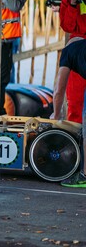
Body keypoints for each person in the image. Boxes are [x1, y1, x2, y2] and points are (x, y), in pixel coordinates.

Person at [50, 37, 86, 188]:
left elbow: (59, 90)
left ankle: (84, 175)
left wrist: (56, 115)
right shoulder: (82, 47)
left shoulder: (68, 51)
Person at [0, 0, 28, 114]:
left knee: (3, 77)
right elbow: (15, 4)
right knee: (1, 78)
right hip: (2, 38)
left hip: (5, 37)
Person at [58, 0, 86, 123]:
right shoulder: (68, 0)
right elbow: (68, 26)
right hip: (76, 56)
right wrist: (73, 4)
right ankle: (75, 145)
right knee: (75, 103)